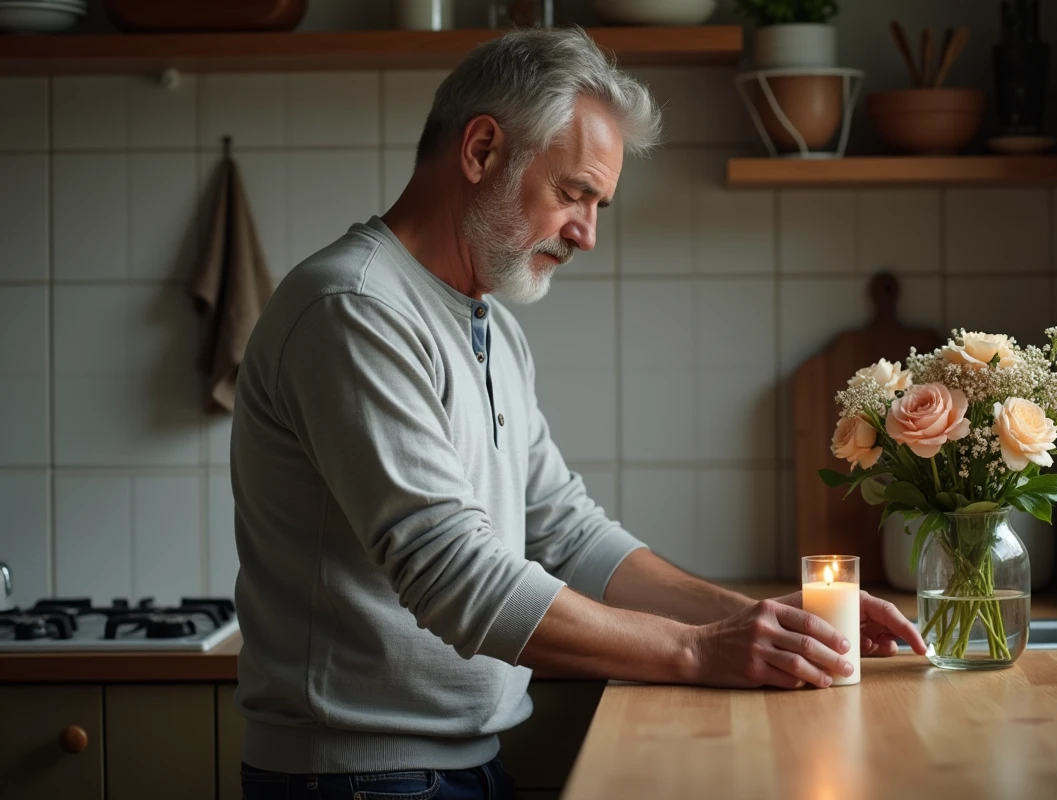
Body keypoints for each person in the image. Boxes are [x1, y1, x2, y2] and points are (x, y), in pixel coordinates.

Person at [230, 26, 926, 800]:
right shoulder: (355, 310)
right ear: (483, 150)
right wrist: (698, 650)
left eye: (598, 204)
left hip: (455, 764)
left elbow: (567, 532)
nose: (587, 235)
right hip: (361, 780)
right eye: (573, 194)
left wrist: (756, 619)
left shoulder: (484, 321)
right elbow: (451, 575)